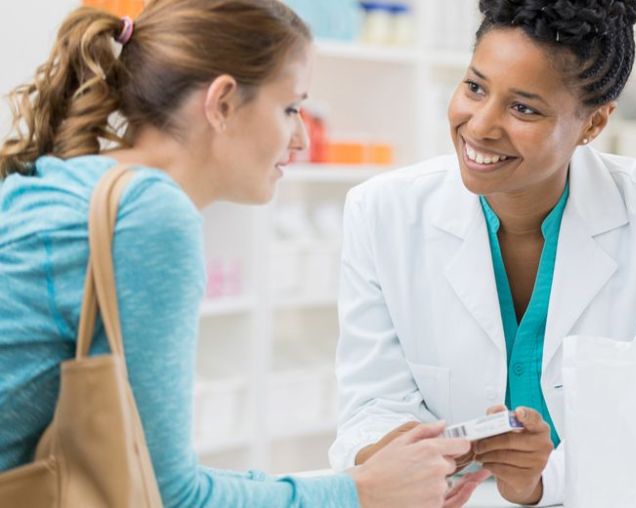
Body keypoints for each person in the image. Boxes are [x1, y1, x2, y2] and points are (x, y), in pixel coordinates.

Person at [0, 1, 488, 507]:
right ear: (224, 102)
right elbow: (172, 497)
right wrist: (360, 495)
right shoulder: (150, 213)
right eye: (291, 108)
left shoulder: (77, 180)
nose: (300, 138)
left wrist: (364, 489)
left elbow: (143, 468)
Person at [330, 0, 636, 504]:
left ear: (593, 124)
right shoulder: (382, 211)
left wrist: (540, 481)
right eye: (475, 87)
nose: (480, 126)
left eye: (524, 108)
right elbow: (369, 405)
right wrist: (404, 455)